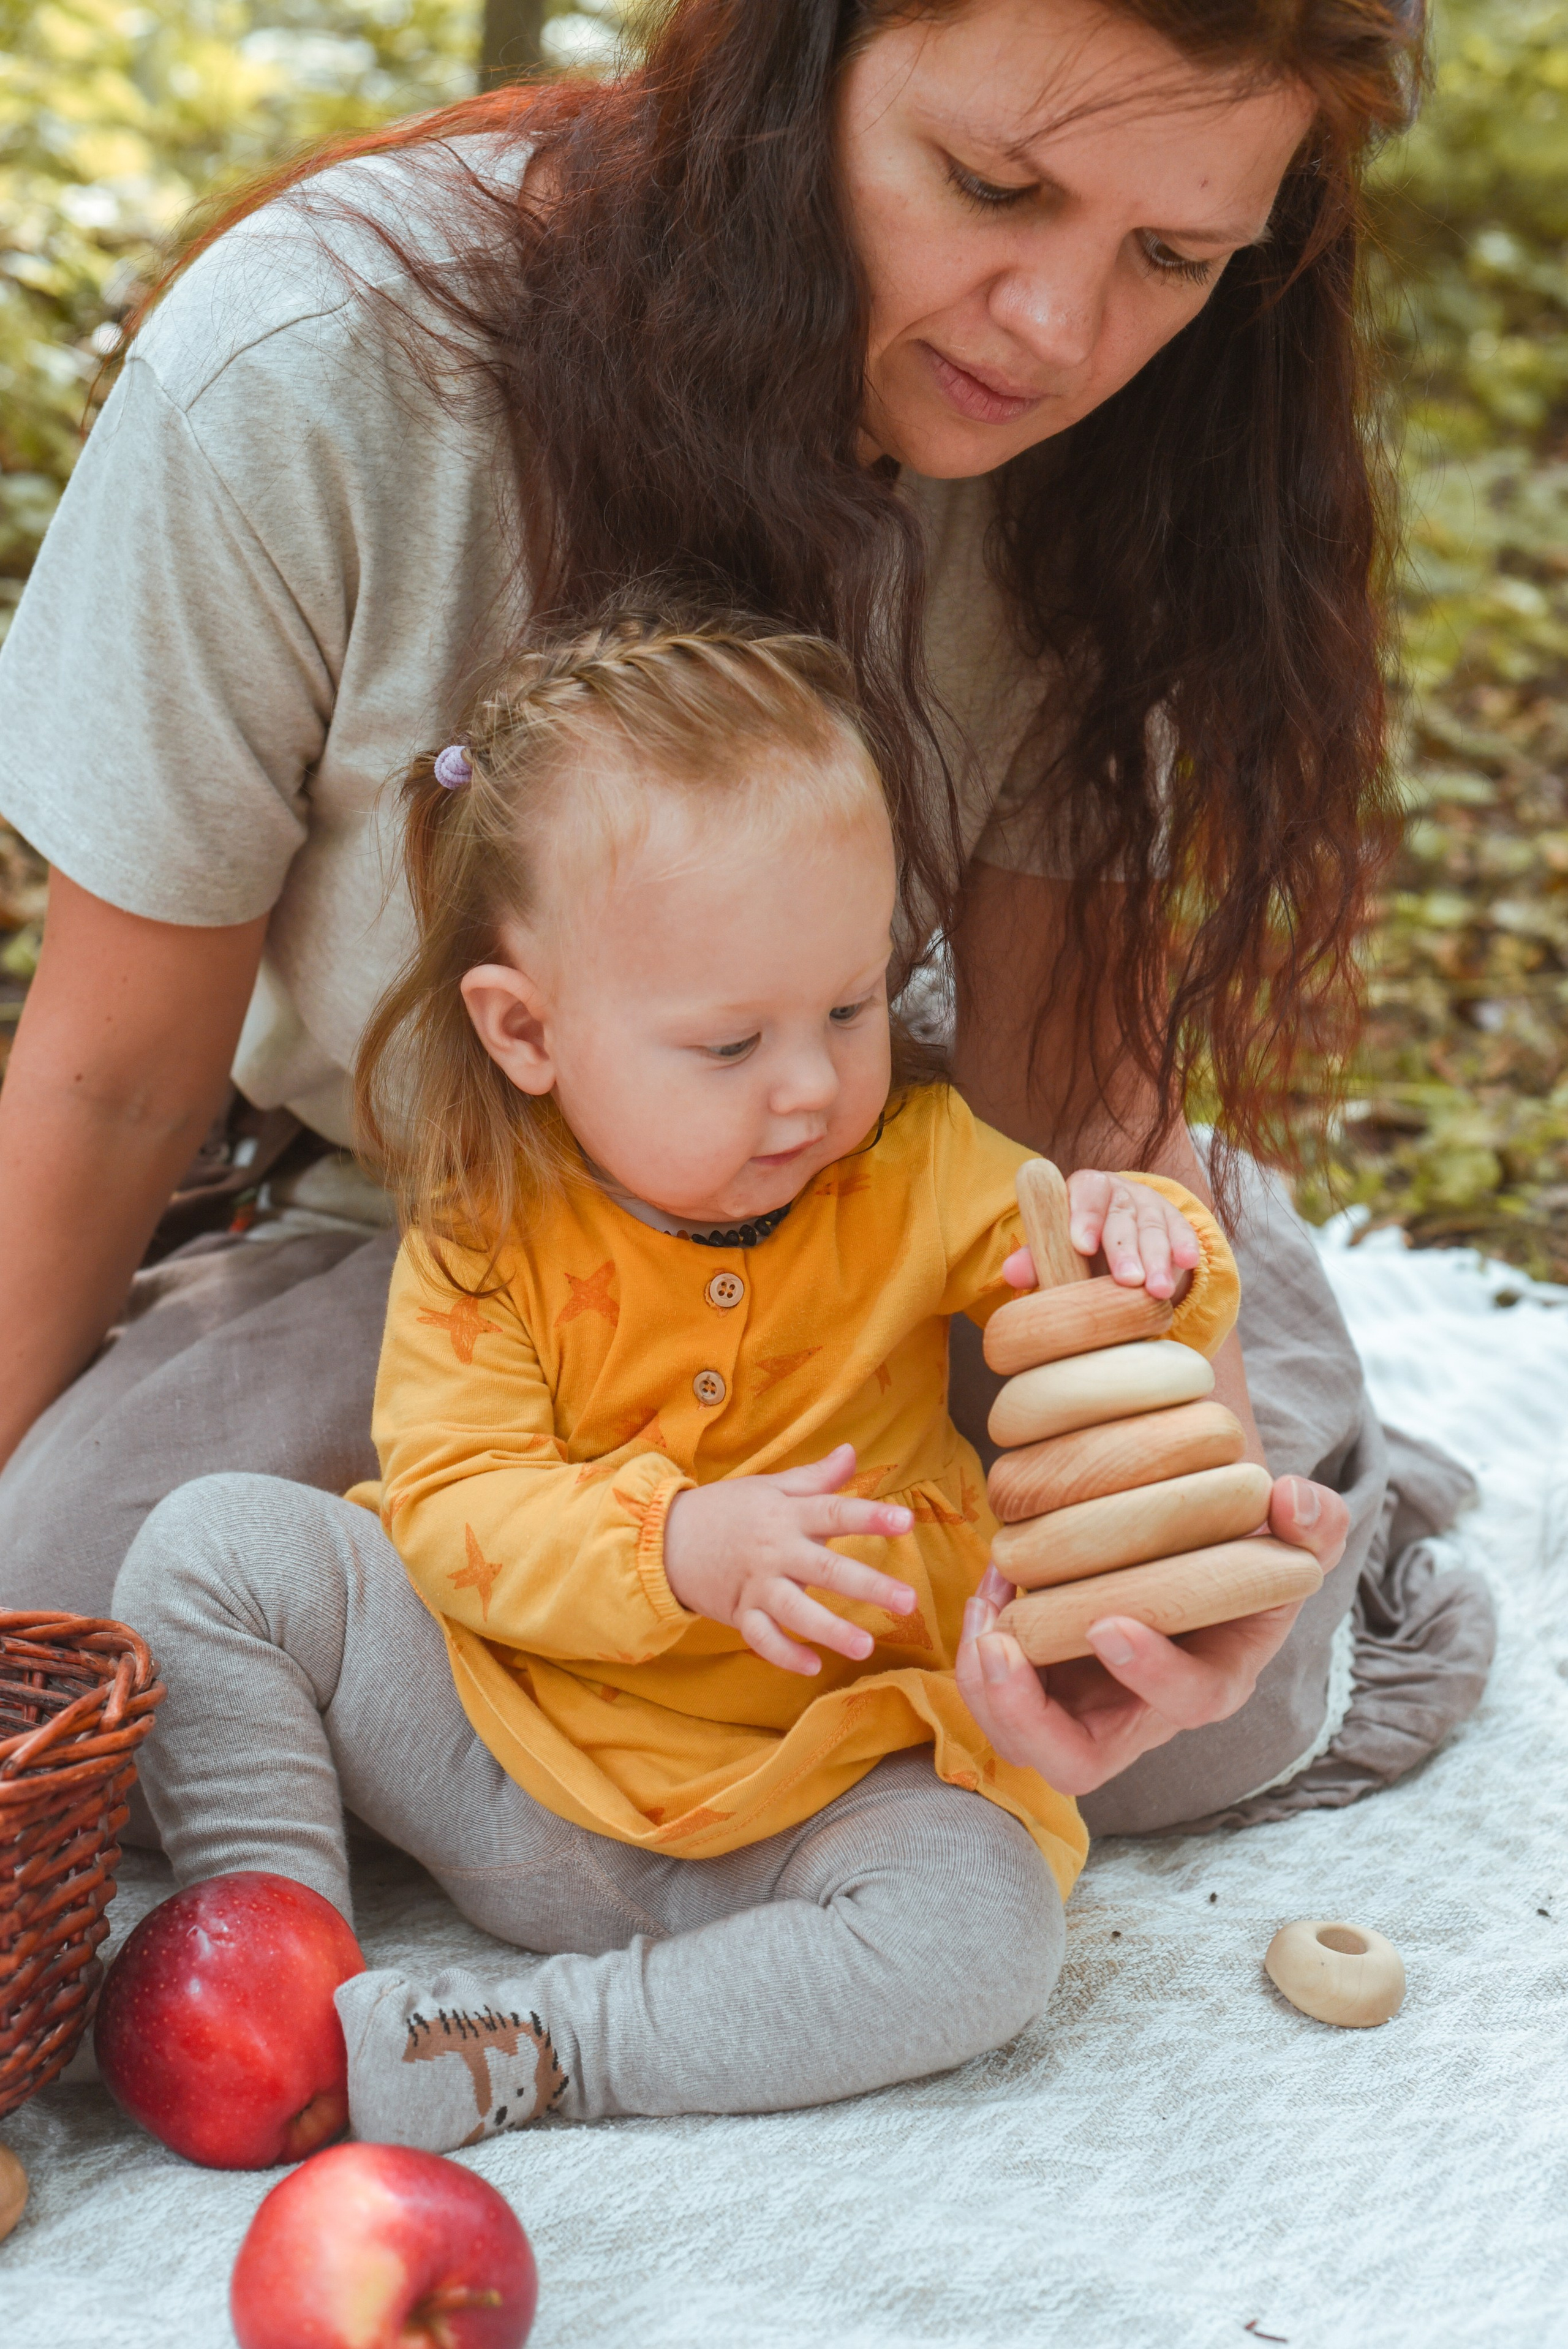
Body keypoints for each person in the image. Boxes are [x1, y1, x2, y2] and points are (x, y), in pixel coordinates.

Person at [0, 0, 1488, 1834]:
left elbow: (1058, 1099)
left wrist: (1163, 1487)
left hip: (895, 1209)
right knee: (72, 1606)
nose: (1059, 331)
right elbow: (109, 1086)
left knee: (1194, 1707)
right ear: (794, 60)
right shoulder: (309, 375)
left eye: (1172, 254)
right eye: (991, 186)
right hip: (436, 1242)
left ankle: (1286, 1402)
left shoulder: (1135, 454)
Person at [117, 611, 1256, 2133]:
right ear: (528, 1031)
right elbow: (455, 1507)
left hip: (813, 1793)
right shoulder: (489, 1220)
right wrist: (676, 1546)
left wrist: (1139, 1235)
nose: (810, 1084)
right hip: (499, 1740)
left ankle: (533, 2044)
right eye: (729, 1046)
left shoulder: (911, 1167)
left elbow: (1086, 1305)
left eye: (848, 1009)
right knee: (213, 1550)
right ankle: (271, 1960)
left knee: (987, 1925)